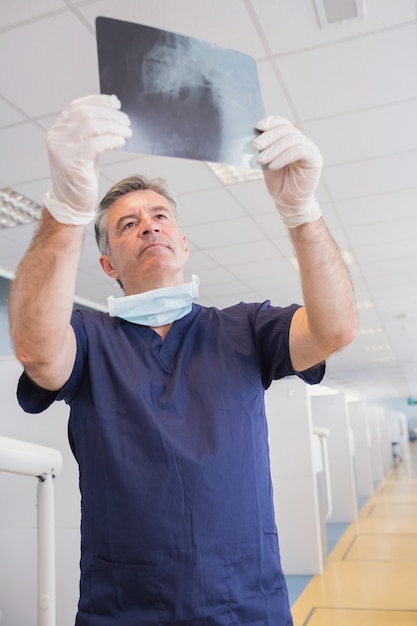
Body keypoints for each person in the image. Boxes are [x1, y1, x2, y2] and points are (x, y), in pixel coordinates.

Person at [8, 94, 357, 626]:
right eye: (127, 225)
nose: (148, 227)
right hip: (127, 609)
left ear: (184, 243)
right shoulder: (90, 339)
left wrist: (302, 212)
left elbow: (334, 328)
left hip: (246, 605)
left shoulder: (244, 328)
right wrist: (65, 208)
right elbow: (37, 350)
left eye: (160, 216)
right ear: (107, 264)